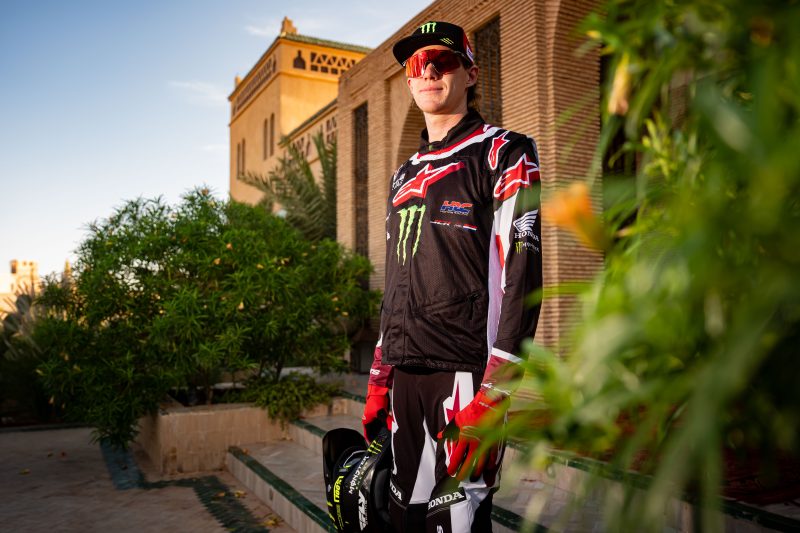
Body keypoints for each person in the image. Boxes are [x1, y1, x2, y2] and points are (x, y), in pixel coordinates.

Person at [361, 20, 542, 532]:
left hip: (466, 376)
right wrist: (379, 377)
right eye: (417, 64)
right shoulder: (403, 174)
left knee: (456, 522)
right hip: (404, 376)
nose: (429, 72)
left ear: (471, 74)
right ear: (408, 79)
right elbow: (396, 283)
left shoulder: (505, 152)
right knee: (403, 518)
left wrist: (496, 392)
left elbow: (523, 279)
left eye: (443, 61)